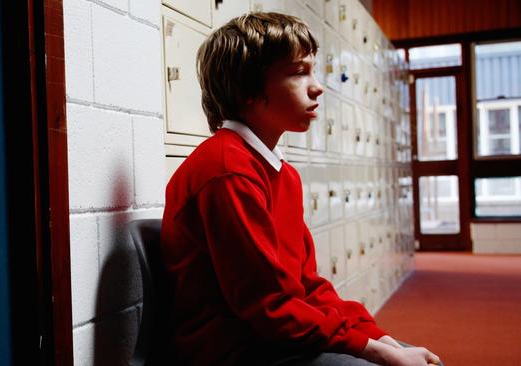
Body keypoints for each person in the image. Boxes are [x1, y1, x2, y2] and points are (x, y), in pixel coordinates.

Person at [160, 12, 441, 366]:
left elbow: (308, 285)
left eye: (313, 69)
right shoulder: (227, 171)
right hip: (235, 350)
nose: (317, 86)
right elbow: (269, 308)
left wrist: (377, 337)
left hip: (273, 337)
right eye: (298, 72)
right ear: (246, 88)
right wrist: (371, 350)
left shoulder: (281, 173)